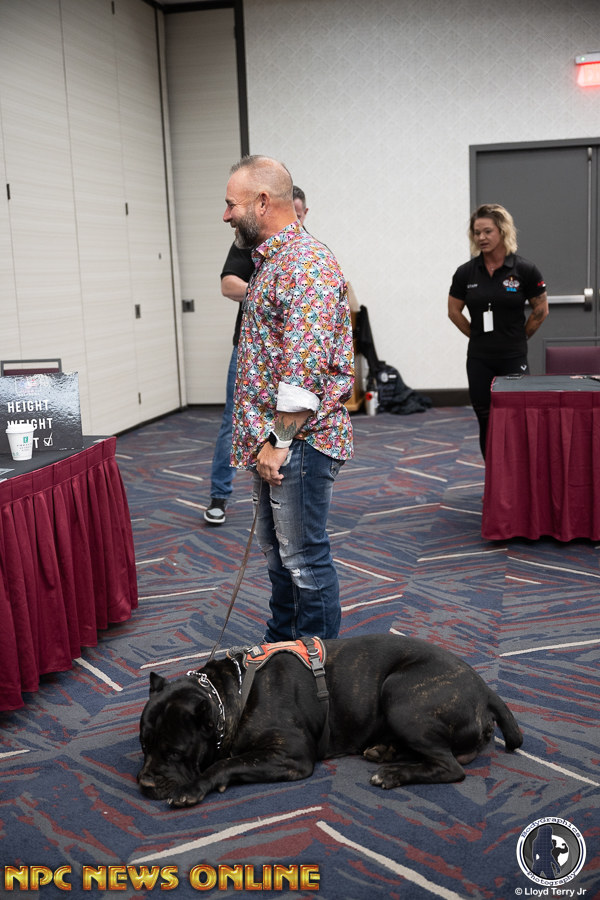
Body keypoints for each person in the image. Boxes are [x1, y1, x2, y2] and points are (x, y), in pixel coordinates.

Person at [223, 155, 354, 641]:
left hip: (298, 441)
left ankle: (319, 667)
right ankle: (281, 654)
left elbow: (305, 368)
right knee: (280, 559)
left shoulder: (305, 263)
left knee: (303, 559)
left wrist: (278, 441)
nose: (226, 215)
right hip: (276, 440)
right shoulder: (271, 262)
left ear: (262, 201)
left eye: (232, 204)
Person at [204, 186, 309, 525]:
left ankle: (294, 493)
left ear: (303, 214)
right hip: (249, 350)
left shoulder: (309, 256)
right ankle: (219, 495)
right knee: (234, 421)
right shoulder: (249, 244)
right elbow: (228, 284)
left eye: (299, 214)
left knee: (295, 418)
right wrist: (266, 291)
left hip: (290, 354)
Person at [447, 203, 548, 457]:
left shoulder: (524, 270)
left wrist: (521, 337)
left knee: (517, 419)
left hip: (513, 357)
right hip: (479, 359)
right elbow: (454, 311)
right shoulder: (465, 273)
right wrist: (476, 335)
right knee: (486, 420)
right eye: (477, 232)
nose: (481, 237)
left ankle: (519, 474)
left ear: (502, 231)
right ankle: (493, 475)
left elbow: (541, 309)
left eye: (487, 231)